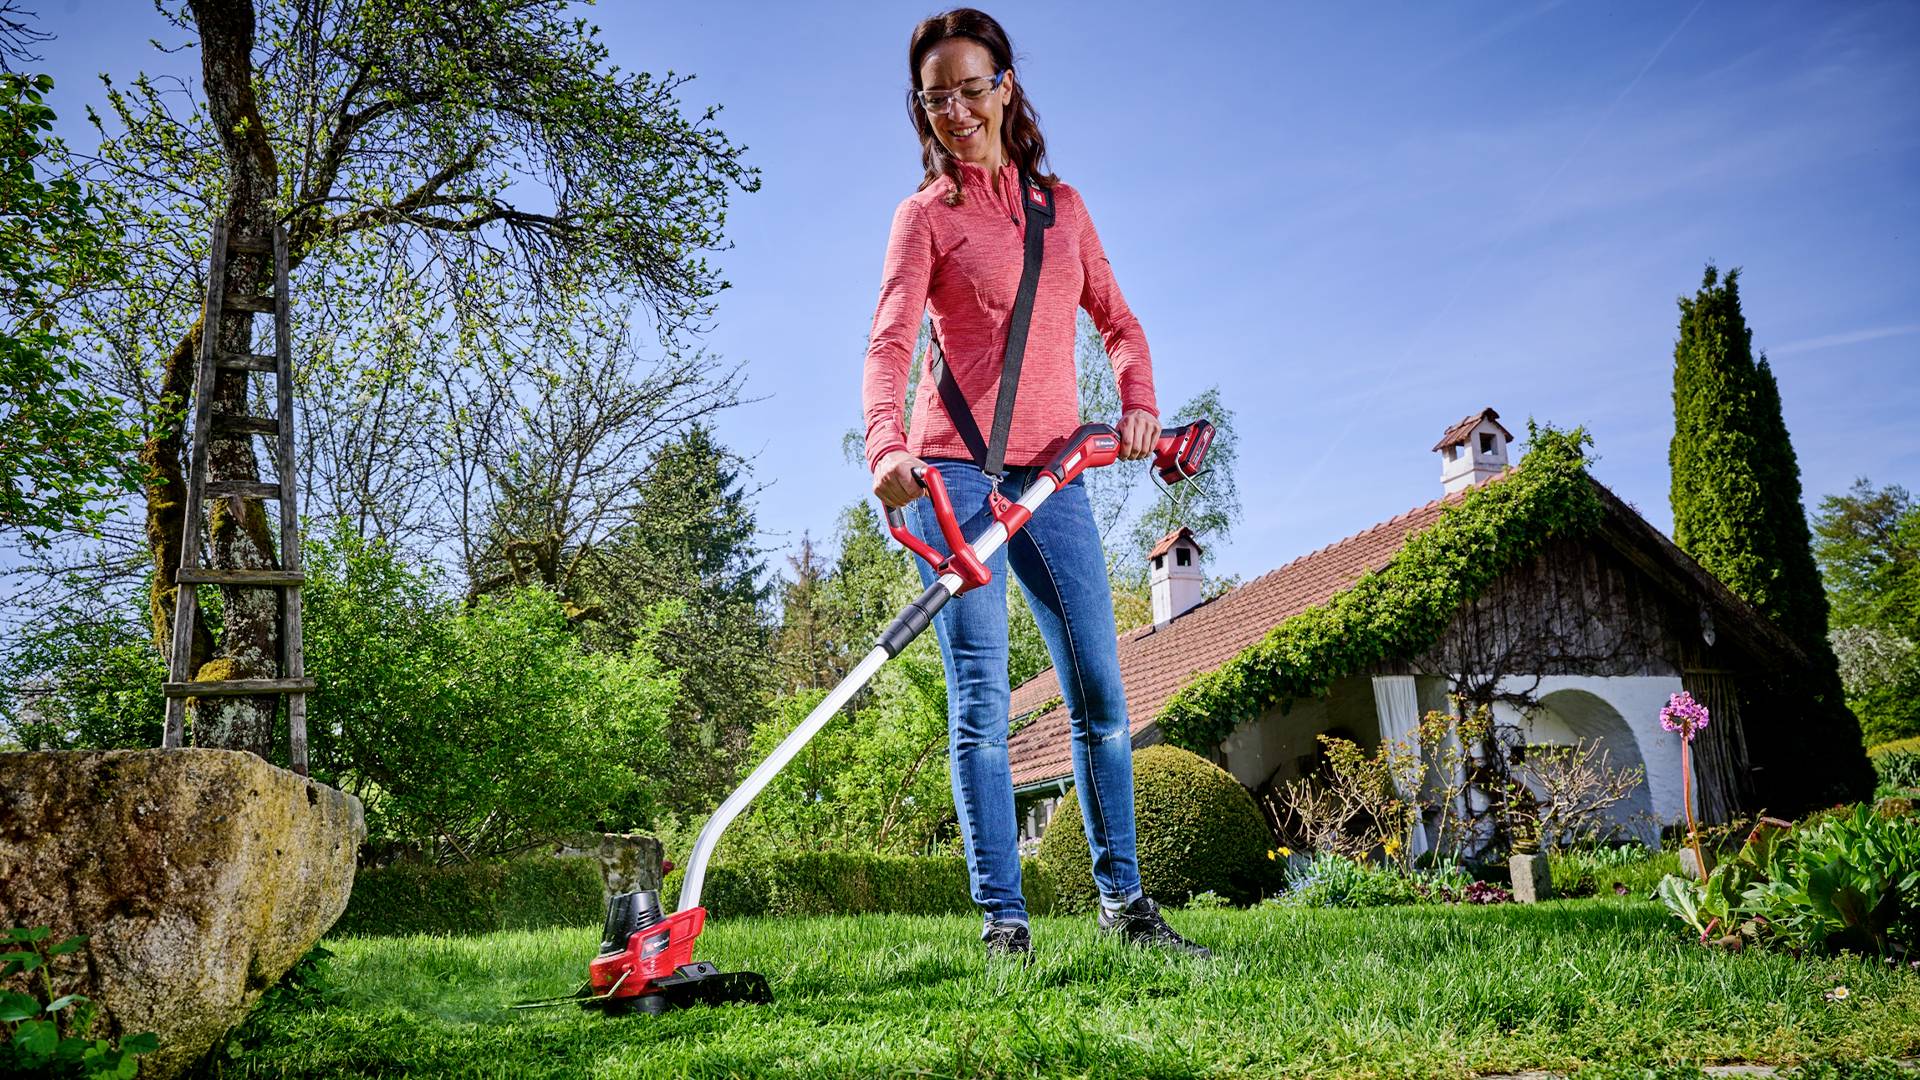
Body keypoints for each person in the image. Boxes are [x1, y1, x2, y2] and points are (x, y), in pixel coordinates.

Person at [862, 7, 1208, 960]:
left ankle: (1127, 907)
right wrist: (886, 448)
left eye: (973, 88)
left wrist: (1139, 402)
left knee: (1098, 687)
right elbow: (891, 339)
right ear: (922, 109)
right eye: (938, 98)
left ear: (1006, 84)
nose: (958, 110)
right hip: (952, 476)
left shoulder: (1065, 210)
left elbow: (1121, 324)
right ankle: (1003, 922)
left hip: (1056, 472)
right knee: (980, 701)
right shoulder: (924, 218)